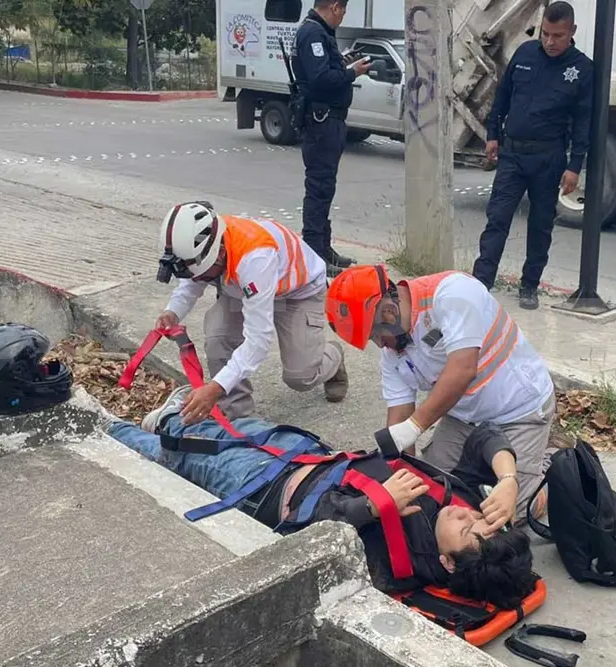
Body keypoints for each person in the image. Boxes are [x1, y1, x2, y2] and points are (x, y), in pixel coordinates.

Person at [105, 385, 539, 608]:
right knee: (224, 429)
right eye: (484, 520)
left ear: (447, 563)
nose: (469, 517)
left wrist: (372, 507)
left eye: (469, 531)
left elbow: (309, 536)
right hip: (308, 455)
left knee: (177, 456)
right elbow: (485, 434)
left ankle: (104, 427)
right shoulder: (458, 507)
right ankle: (167, 420)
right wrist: (507, 479)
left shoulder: (398, 568)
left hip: (265, 487)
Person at [325, 265, 556, 523]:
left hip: (518, 410)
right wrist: (397, 473)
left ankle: (547, 470)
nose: (380, 345)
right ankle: (502, 467)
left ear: (389, 312)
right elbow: (399, 419)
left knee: (507, 515)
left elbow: (463, 368)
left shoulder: (453, 295)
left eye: (376, 336)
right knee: (434, 493)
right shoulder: (392, 356)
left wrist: (414, 427)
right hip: (464, 418)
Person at [154, 201, 348, 423]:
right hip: (241, 289)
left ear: (218, 255)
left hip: (297, 295)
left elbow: (258, 341)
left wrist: (215, 387)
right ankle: (238, 416)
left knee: (300, 377)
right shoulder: (207, 239)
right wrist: (173, 313)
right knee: (218, 339)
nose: (199, 281)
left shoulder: (256, 258)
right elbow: (192, 280)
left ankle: (333, 357)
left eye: (203, 275)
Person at [470, 0, 594, 310]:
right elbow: (503, 96)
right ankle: (481, 282)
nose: (550, 42)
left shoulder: (581, 69)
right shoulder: (525, 54)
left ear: (572, 32)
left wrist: (574, 166)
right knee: (497, 219)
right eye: (546, 34)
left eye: (558, 36)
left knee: (540, 226)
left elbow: (583, 122)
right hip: (512, 154)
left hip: (548, 158)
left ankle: (529, 285)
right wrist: (493, 135)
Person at [293, 0, 371, 276]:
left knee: (325, 187)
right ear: (335, 7)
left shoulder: (322, 32)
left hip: (329, 120)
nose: (343, 17)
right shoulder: (313, 33)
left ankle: (323, 248)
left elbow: (325, 71)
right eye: (344, 11)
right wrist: (353, 72)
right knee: (318, 188)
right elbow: (320, 80)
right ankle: (314, 256)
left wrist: (344, 63)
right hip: (321, 121)